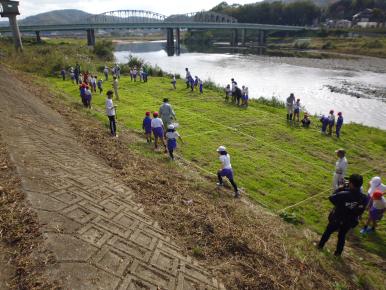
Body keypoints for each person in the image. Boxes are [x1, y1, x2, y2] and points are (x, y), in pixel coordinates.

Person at [318, 174, 368, 256]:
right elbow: (360, 211)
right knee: (342, 236)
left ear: (351, 184)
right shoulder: (364, 198)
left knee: (328, 231)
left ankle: (320, 246)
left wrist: (340, 188)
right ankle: (338, 253)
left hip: (337, 218)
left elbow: (331, 198)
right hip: (349, 221)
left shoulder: (344, 193)